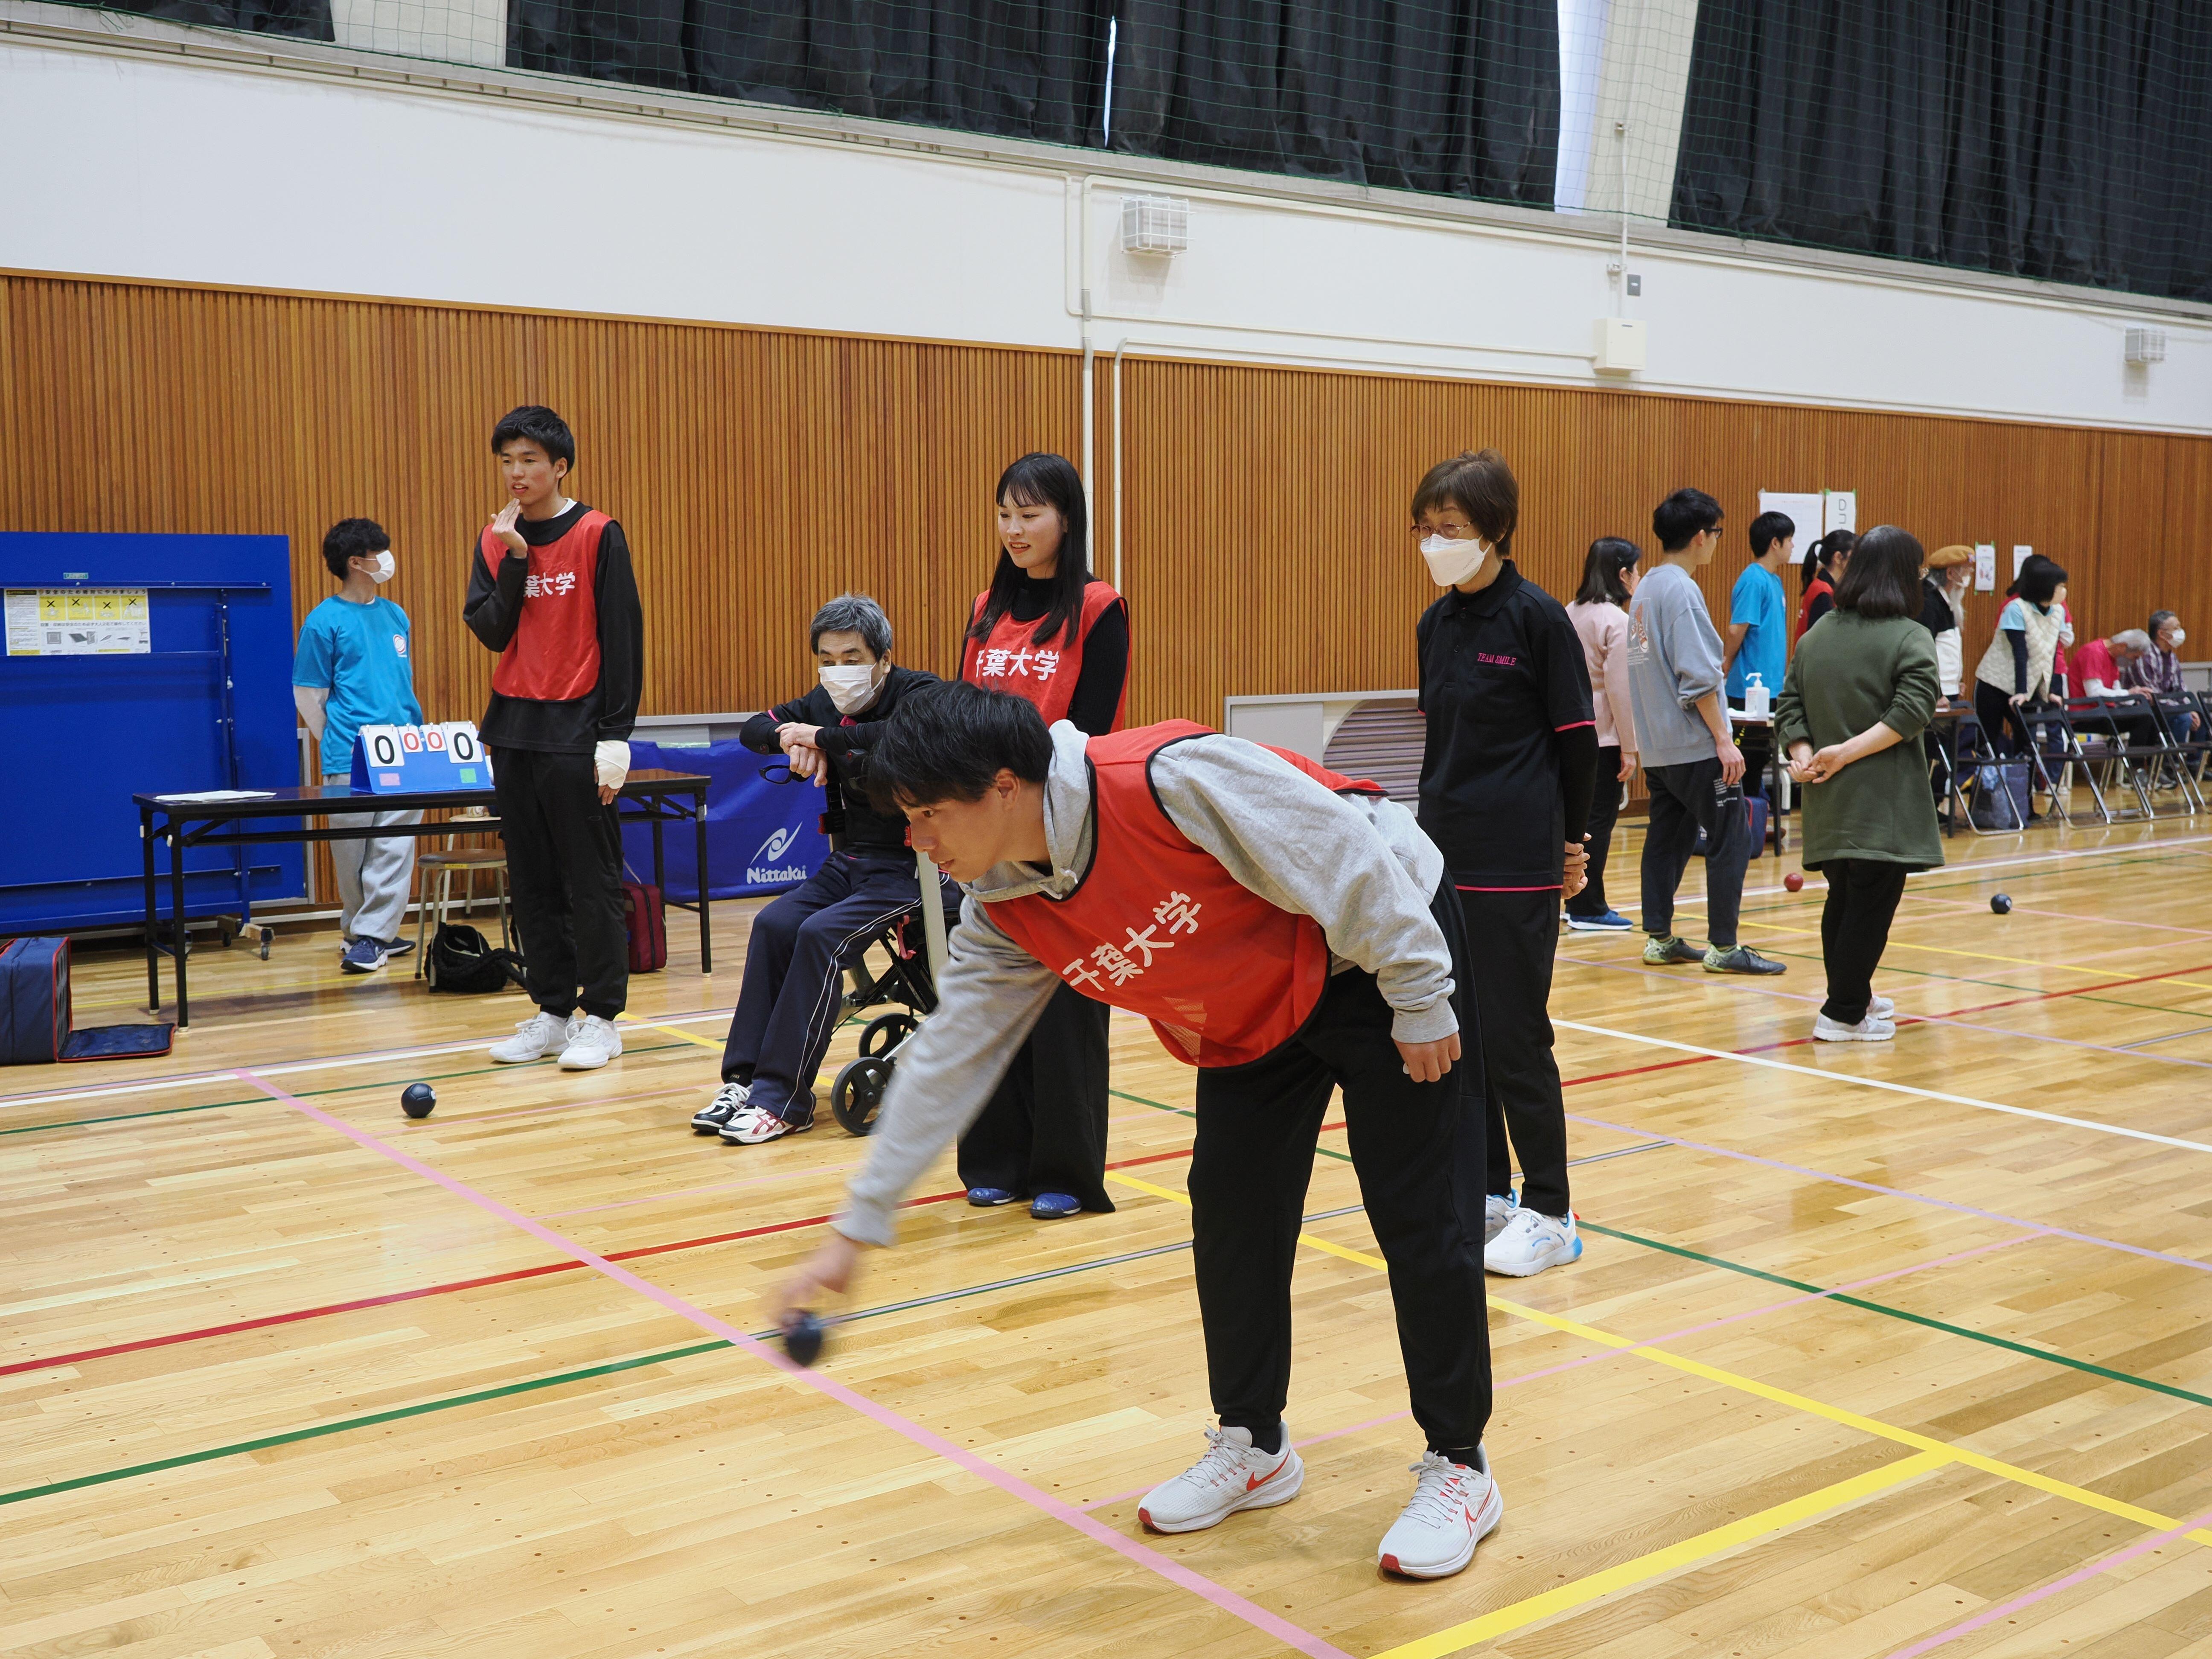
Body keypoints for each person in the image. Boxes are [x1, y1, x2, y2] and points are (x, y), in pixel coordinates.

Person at [774, 681, 1501, 1580]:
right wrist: (857, 1227)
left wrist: (1422, 994)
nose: (917, 842)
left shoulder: (1167, 780)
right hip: (1256, 997)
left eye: (929, 816)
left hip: (1378, 950)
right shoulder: (1004, 907)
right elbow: (950, 1056)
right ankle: (1254, 1443)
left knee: (1420, 1212)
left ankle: (1460, 1465)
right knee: (1232, 1215)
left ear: (1005, 786)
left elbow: (1348, 858)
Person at [1410, 449, 1597, 1278]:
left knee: (1517, 1037)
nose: (1435, 542)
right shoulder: (1436, 624)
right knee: (1463, 1037)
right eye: (1426, 528)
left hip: (1519, 855)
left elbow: (1577, 745)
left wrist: (1576, 843)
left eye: (1450, 529)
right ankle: (1488, 1194)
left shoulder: (1538, 619)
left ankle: (1552, 1210)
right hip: (1443, 854)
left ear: (1495, 532)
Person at [694, 594, 958, 1145]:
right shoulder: (823, 701)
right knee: (773, 924)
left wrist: (821, 738)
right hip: (852, 861)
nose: (839, 672)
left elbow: (895, 740)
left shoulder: (922, 695)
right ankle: (743, 1081)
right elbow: (754, 728)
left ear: (883, 658)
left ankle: (785, 1101)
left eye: (852, 657)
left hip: (920, 867)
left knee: (820, 935)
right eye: (828, 659)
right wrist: (792, 737)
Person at [954, 453, 1126, 1220]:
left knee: (1065, 1003)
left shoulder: (1097, 605)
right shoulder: (986, 604)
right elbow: (962, 711)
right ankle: (994, 1157)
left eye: (1031, 514)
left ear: (1066, 518)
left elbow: (1088, 728)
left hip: (1062, 826)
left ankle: (1066, 1168)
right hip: (983, 828)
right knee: (990, 996)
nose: (1015, 529)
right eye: (1005, 515)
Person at [463, 405, 644, 1071]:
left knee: (590, 879)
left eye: (530, 460)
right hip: (513, 728)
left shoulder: (599, 534)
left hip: (579, 728)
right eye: (507, 461)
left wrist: (615, 736)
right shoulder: (495, 538)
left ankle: (602, 1018)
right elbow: (490, 630)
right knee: (531, 877)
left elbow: (624, 636)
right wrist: (515, 558)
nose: (517, 472)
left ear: (560, 465)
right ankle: (552, 1011)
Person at [1776, 526, 1943, 1042]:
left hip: (1826, 798)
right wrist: (1844, 754)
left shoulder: (1817, 634)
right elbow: (1913, 711)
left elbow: (1789, 705)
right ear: (1902, 575)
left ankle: (1857, 995)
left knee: (1844, 899)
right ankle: (1843, 1013)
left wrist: (1806, 756)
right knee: (1868, 908)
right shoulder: (1910, 634)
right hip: (1882, 803)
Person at [1628, 488, 1787, 977]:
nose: (1717, 542)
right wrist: (1723, 739)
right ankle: (1724, 946)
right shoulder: (1681, 591)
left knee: (1667, 838)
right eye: (1717, 533)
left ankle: (1658, 937)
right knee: (1729, 837)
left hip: (1659, 746)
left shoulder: (1647, 589)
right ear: (1701, 536)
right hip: (1694, 744)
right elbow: (1697, 675)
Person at [294, 517, 426, 976]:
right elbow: (308, 694)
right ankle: (362, 931)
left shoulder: (396, 615)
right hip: (350, 752)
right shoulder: (324, 620)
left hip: (404, 748)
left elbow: (399, 682)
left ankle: (373, 935)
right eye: (380, 552)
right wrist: (337, 738)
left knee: (394, 845)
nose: (387, 559)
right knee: (352, 850)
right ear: (357, 562)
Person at [1565, 537, 1641, 933]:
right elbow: (1621, 687)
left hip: (1567, 735)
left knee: (1572, 821)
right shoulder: (1617, 619)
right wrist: (1630, 747)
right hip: (1604, 738)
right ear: (1623, 573)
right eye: (1637, 570)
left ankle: (1568, 895)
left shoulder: (1568, 612)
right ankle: (1589, 906)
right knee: (1599, 823)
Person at [1723, 509, 1793, 798]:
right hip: (1748, 689)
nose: (1792, 547)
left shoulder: (1774, 581)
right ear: (1775, 543)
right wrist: (1726, 663)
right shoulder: (1753, 580)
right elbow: (1735, 630)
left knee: (1761, 757)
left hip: (1773, 686)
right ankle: (1741, 822)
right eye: (1790, 540)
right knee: (1745, 760)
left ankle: (1753, 820)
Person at [1971, 556, 2067, 763]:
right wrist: (2021, 692)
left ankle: (2024, 795)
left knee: (2027, 747)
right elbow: (2020, 652)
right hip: (1995, 684)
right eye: (2059, 586)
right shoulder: (2016, 608)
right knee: (1988, 743)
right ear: (2044, 587)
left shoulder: (2058, 612)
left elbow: (2049, 652)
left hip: (2027, 688)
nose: (2063, 591)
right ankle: (1987, 793)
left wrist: (2048, 691)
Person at [1917, 544, 1973, 811]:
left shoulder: (1947, 600)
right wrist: (1937, 689)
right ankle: (1925, 806)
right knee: (1932, 751)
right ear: (1951, 573)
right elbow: (1925, 648)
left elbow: (1948, 647)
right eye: (1966, 571)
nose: (1969, 576)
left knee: (1950, 750)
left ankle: (1934, 803)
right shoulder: (1928, 600)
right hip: (1934, 692)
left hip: (1948, 689)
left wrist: (1956, 679)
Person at [2068, 628, 2165, 753]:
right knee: (2144, 717)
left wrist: (2137, 696)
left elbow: (2116, 691)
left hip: (2105, 713)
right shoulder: (2093, 652)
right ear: (2123, 646)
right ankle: (2136, 766)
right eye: (2135, 657)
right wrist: (2129, 693)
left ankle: (2153, 766)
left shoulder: (2113, 659)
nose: (2134, 662)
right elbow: (2094, 693)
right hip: (2085, 716)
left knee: (2154, 712)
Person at [2124, 610, 2200, 768]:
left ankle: (2194, 766)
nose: (2181, 632)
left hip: (2168, 706)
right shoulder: (2145, 655)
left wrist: (2189, 707)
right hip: (2148, 708)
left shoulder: (2172, 656)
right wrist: (2183, 710)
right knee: (2183, 718)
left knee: (2199, 717)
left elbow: (2180, 688)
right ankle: (2168, 766)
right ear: (2161, 633)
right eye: (2176, 628)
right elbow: (2153, 695)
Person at [1794, 530, 1853, 643]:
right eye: (1853, 557)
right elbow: (1820, 643)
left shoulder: (1827, 587)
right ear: (1838, 557)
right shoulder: (1823, 593)